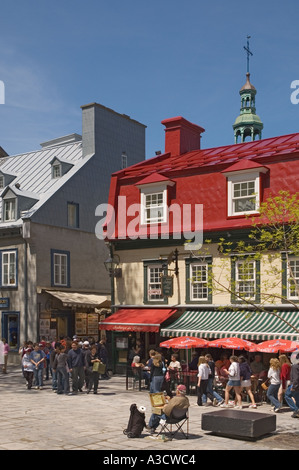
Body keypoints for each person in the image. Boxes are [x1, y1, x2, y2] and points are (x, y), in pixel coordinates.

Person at [284, 352, 299, 418]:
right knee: (297, 399)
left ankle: (295, 409)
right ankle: (297, 411)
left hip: (295, 385)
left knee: (287, 395)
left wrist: (293, 386)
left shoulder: (295, 366)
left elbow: (296, 377)